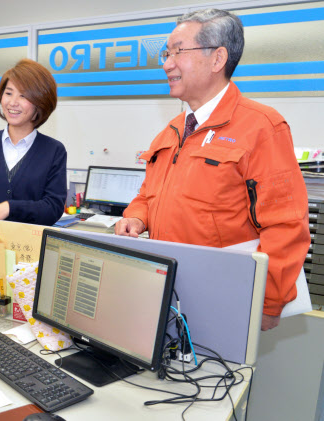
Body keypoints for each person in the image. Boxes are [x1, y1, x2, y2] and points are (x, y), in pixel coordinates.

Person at [114, 9, 310, 331]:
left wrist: (268, 301)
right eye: (166, 53)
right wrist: (136, 216)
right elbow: (149, 194)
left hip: (222, 299)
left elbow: (286, 225)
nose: (166, 63)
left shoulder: (262, 127)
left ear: (218, 58)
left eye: (178, 51)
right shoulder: (173, 130)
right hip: (166, 290)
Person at [0, 58, 67, 226]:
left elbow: (53, 208)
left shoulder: (54, 150)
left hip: (29, 247)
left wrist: (10, 208)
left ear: (41, 102)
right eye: (8, 93)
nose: (12, 102)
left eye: (23, 95)